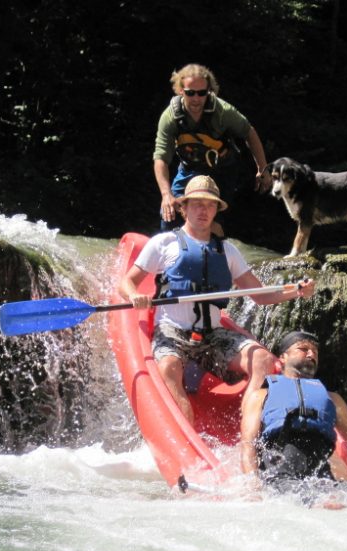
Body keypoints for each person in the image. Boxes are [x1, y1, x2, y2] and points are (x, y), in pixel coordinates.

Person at [119, 175, 314, 427]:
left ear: (216, 210)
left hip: (212, 334)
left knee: (263, 360)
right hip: (172, 331)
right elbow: (127, 283)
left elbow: (261, 295)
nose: (204, 210)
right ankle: (185, 434)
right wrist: (135, 296)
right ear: (184, 207)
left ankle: (249, 427)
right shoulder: (164, 243)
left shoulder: (228, 251)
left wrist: (297, 291)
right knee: (168, 366)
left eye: (210, 205)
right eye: (197, 203)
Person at [239, 331, 347, 513]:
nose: (311, 354)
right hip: (280, 479)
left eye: (315, 352)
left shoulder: (331, 399)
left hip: (324, 481)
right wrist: (253, 488)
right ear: (283, 358)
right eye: (303, 349)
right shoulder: (261, 395)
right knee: (325, 506)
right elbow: (248, 444)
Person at [153, 63, 272, 235]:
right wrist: (166, 195)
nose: (196, 98)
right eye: (190, 93)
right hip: (189, 168)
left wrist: (262, 169)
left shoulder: (222, 111)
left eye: (202, 93)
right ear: (181, 91)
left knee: (211, 219)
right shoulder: (170, 117)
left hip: (222, 170)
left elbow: (249, 132)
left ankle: (215, 254)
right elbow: (161, 158)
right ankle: (169, 254)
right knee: (169, 213)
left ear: (209, 91)